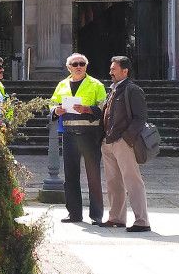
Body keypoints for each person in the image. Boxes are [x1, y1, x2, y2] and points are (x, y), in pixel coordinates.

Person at [50, 53, 107, 225]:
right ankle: (74, 214)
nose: (78, 66)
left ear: (86, 66)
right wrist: (55, 110)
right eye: (75, 64)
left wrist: (87, 109)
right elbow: (52, 103)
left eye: (82, 63)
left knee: (93, 176)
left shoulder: (96, 84)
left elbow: (104, 108)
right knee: (71, 175)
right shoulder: (62, 85)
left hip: (90, 134)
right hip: (69, 134)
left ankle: (96, 216)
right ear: (69, 67)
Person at [99, 56, 150, 232]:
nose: (110, 72)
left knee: (132, 180)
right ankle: (116, 218)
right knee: (113, 181)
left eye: (114, 69)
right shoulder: (112, 90)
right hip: (108, 141)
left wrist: (127, 139)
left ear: (125, 71)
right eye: (111, 68)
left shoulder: (132, 90)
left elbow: (140, 118)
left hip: (123, 142)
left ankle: (142, 221)